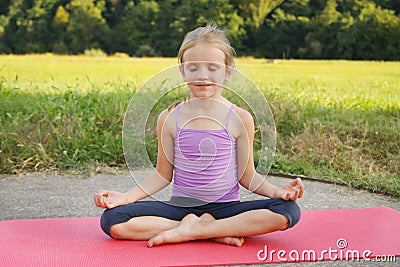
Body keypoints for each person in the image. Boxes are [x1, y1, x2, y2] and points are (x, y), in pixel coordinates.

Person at [94, 24, 304, 248]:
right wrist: (127, 197)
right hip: (180, 209)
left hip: (227, 209)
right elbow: (162, 175)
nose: (202, 76)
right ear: (183, 71)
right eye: (193, 68)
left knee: (287, 211)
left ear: (228, 72)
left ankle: (200, 229)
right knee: (112, 220)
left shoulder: (240, 118)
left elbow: (248, 176)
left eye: (212, 68)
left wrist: (277, 191)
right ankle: (207, 230)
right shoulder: (169, 117)